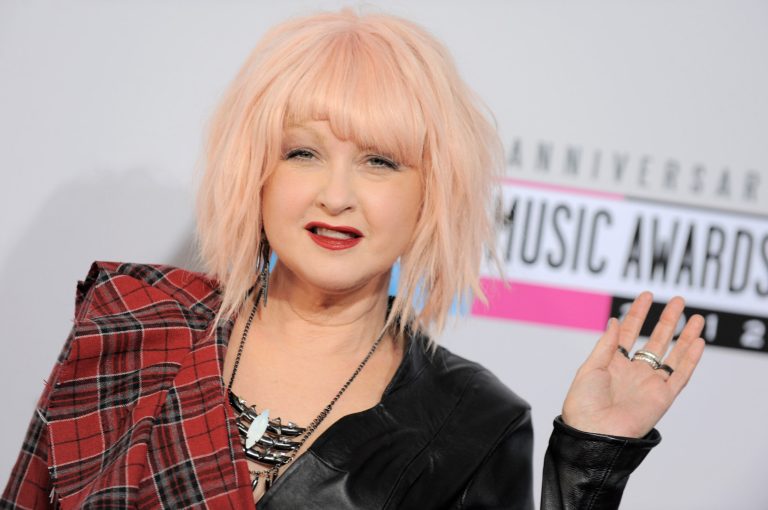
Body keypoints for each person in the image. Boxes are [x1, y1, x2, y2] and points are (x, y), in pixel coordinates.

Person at [1, 8, 704, 509]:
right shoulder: (129, 319)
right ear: (258, 172)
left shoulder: (474, 426)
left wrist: (586, 468)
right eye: (303, 152)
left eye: (379, 161)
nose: (336, 195)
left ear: (432, 195)